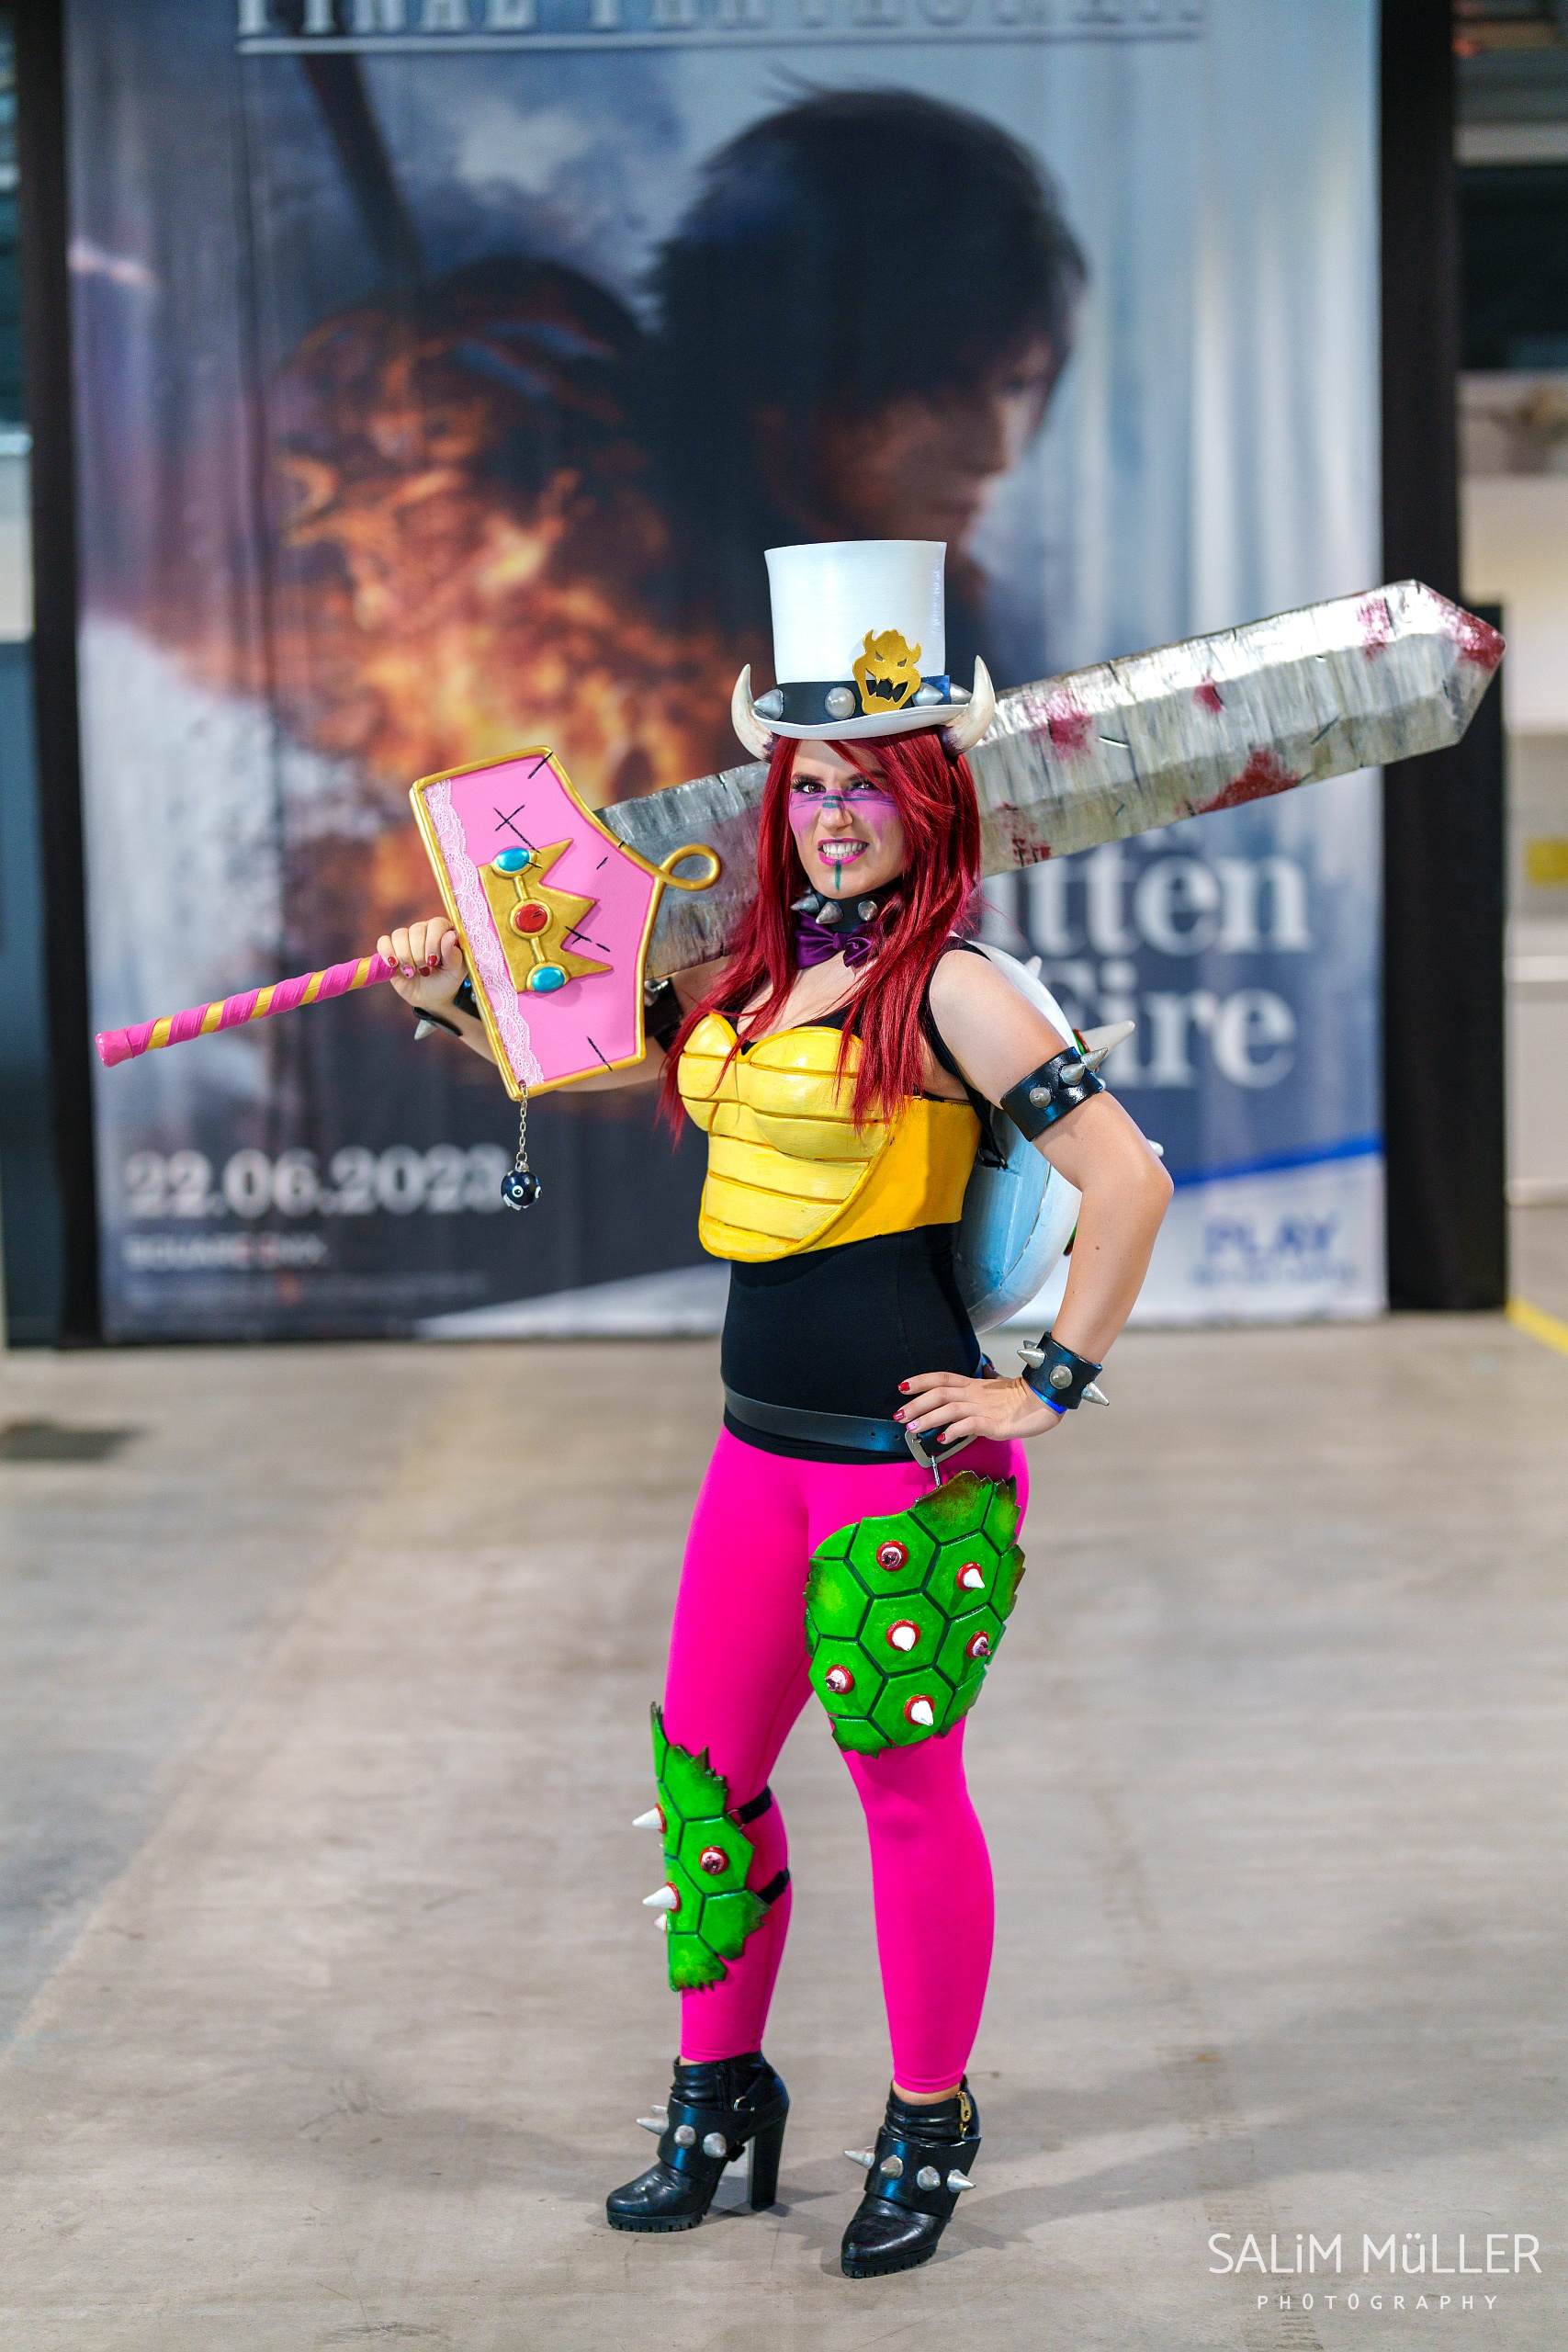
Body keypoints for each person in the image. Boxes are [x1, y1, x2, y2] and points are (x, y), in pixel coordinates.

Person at [377, 542, 1170, 2278]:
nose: (832, 817)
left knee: (904, 1796)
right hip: (754, 1465)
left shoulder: (956, 988)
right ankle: (719, 2096)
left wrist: (1044, 1389)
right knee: (707, 1785)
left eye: (867, 784)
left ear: (927, 796)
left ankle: (930, 2124)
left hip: (900, 1480)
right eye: (811, 784)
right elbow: (553, 1044)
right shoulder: (743, 974)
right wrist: (443, 975)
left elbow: (1128, 1182)